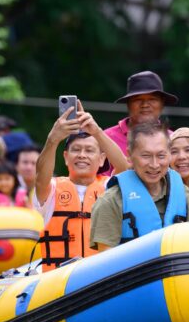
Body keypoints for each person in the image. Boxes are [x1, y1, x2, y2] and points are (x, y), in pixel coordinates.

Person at [33, 102, 130, 271]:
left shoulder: (109, 187)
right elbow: (41, 179)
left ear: (101, 159)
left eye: (89, 150)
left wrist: (96, 131)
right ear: (66, 157)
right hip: (58, 278)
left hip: (100, 275)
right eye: (76, 150)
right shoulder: (52, 188)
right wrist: (53, 139)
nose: (82, 155)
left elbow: (124, 168)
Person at [89, 120, 189, 251]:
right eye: (146, 156)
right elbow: (107, 258)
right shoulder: (110, 201)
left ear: (169, 155)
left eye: (161, 156)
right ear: (130, 156)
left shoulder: (185, 195)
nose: (154, 165)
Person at [102, 70, 178, 158]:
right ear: (128, 104)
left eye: (152, 99)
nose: (145, 105)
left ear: (162, 104)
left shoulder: (174, 139)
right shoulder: (105, 138)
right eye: (137, 100)